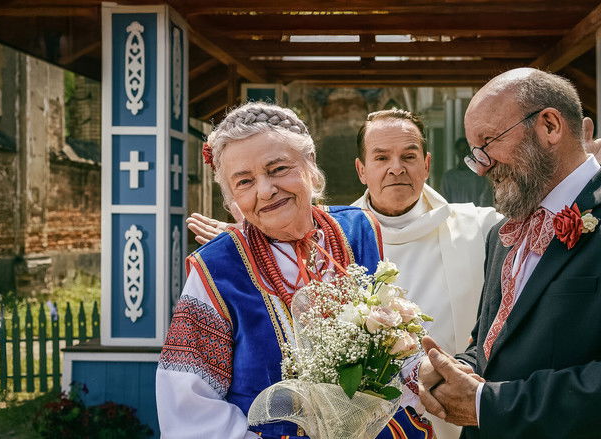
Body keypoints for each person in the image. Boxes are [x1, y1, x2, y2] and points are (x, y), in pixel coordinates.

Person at [157, 102, 435, 439]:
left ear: (310, 166)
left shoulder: (359, 228)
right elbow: (187, 399)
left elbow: (390, 340)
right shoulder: (215, 269)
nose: (265, 190)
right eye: (244, 182)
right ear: (230, 197)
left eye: (278, 169)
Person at [418, 67, 601, 438]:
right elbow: (492, 346)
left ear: (550, 126)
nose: (481, 167)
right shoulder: (501, 235)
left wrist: (484, 404)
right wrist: (451, 369)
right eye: (475, 153)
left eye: (489, 142)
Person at [352, 109, 502, 439]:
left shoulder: (477, 226)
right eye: (381, 157)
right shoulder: (336, 239)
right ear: (362, 169)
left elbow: (539, 218)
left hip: (460, 413)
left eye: (409, 155)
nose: (396, 167)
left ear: (427, 165)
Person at [440, 138, 494, 206]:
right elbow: (444, 202)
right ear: (456, 152)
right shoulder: (448, 178)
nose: (463, 153)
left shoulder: (480, 176)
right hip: (455, 215)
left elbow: (486, 202)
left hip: (476, 215)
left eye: (465, 150)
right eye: (461, 150)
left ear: (470, 151)